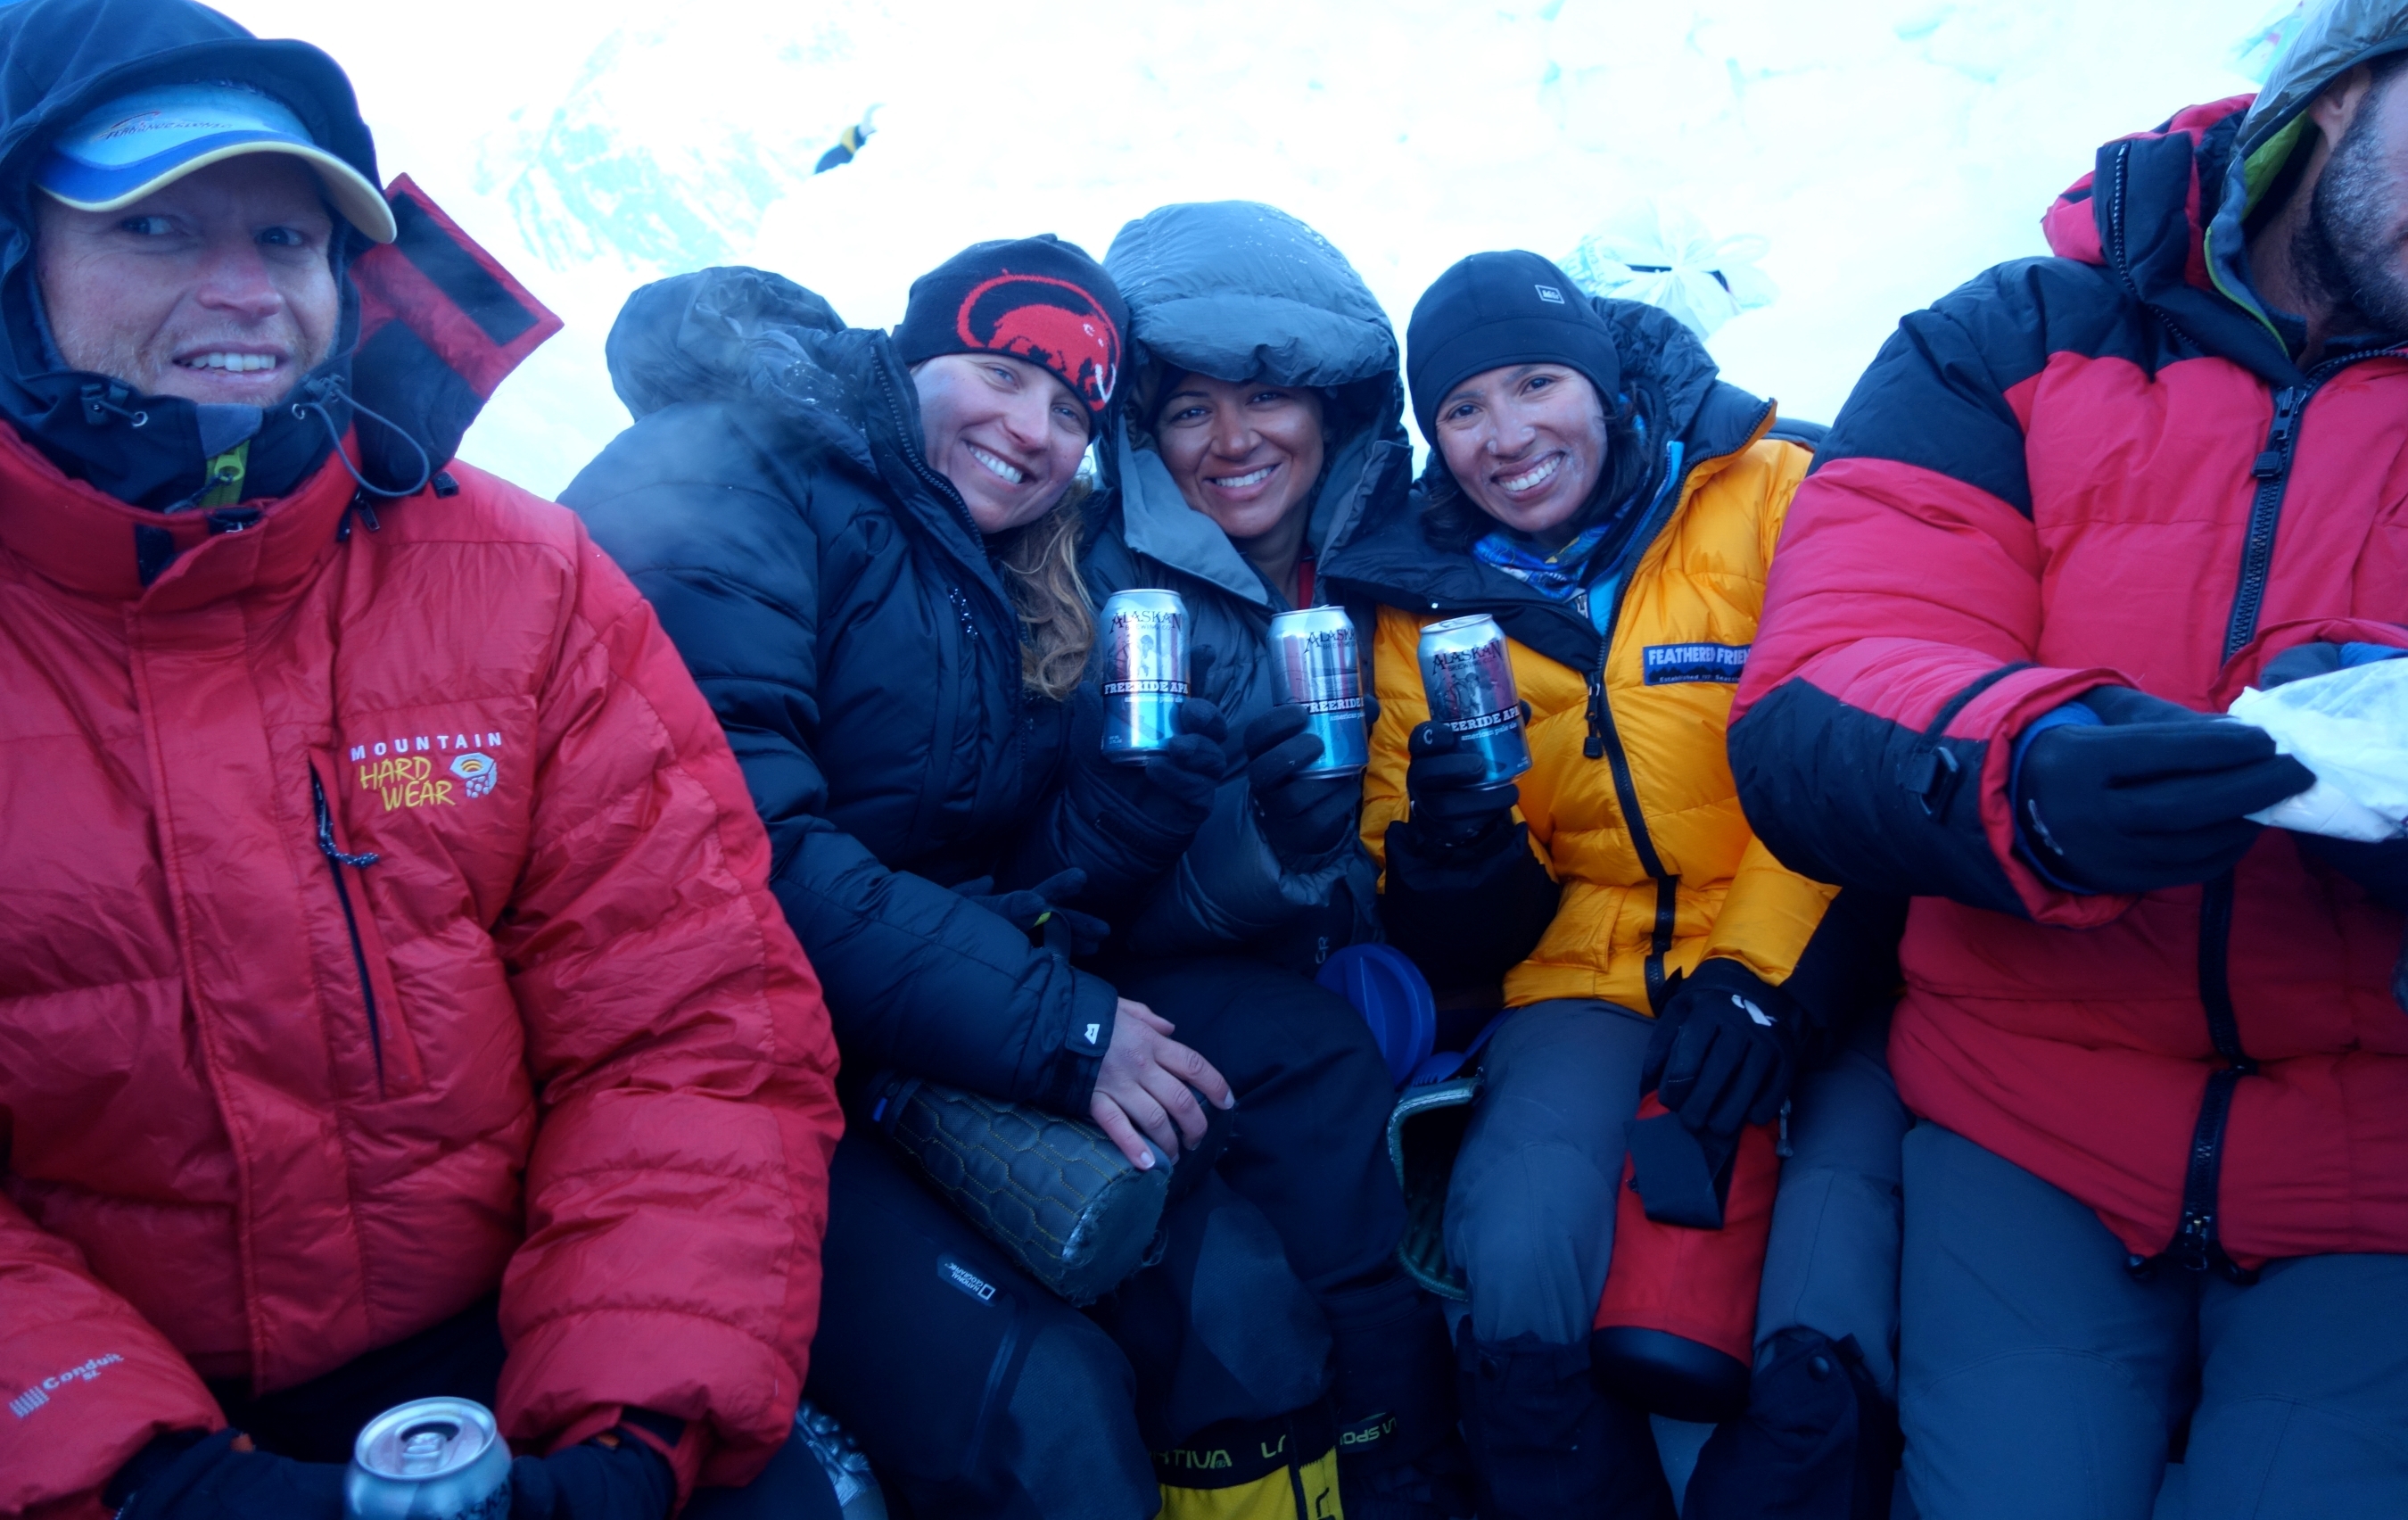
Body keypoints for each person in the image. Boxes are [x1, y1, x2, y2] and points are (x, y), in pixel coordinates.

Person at [0, 0, 843, 1520]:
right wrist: (140, 1478)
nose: (246, 286)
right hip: (119, 1428)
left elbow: (689, 1021)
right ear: (16, 260)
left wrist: (628, 1430)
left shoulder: (523, 585)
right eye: (160, 230)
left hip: (526, 1349)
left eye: (285, 238)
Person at [1726, 0, 2408, 1517]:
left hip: (2381, 1166)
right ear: (2348, 84)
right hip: (2025, 1109)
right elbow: (1834, 665)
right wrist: (2031, 769)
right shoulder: (2013, 337)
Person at [563, 238, 1345, 1518]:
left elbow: (981, 881)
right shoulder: (730, 472)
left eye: (1073, 409)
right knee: (1049, 1414)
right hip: (691, 1058)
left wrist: (1124, 805)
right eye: (1000, 371)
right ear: (910, 356)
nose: (1033, 430)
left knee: (1234, 1311)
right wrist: (1062, 1029)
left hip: (880, 1043)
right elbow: (731, 852)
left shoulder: (986, 565)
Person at [1325, 252, 1903, 1519]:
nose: (1507, 434)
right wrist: (1451, 859)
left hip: (1813, 938)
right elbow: (1405, 860)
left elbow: (1855, 746)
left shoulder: (1768, 495)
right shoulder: (1419, 605)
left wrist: (1762, 978)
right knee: (1517, 1238)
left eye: (1538, 383)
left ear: (1603, 381)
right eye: (1464, 408)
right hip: (1582, 965)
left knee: (1837, 1238)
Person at [1084, 200, 1466, 1518]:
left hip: (1404, 955)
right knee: (1314, 1087)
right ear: (1141, 435)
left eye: (1266, 394)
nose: (1236, 441)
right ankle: (1390, 1458)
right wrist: (1266, 853)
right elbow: (1085, 883)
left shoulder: (1411, 552)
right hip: (1201, 976)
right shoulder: (1093, 585)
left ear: (1334, 402)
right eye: (1189, 411)